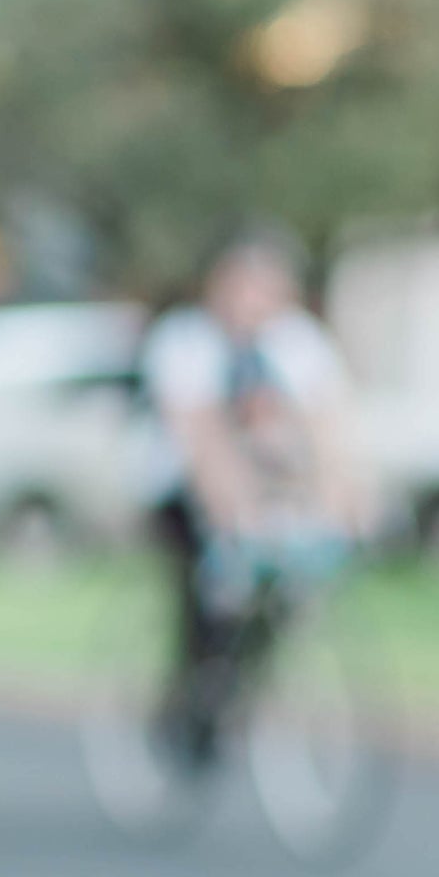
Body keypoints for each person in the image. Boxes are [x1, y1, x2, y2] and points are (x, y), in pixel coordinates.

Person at [138, 224, 374, 762]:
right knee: (205, 598)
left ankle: (249, 681)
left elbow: (328, 428)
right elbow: (202, 440)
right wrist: (234, 515)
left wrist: (341, 501)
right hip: (181, 486)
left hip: (268, 481)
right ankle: (191, 694)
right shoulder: (186, 341)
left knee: (285, 591)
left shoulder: (298, 343)